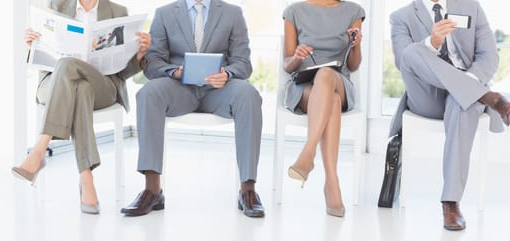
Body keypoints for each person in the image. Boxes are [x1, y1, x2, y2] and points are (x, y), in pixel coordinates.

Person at [120, 0, 265, 218]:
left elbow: (243, 63)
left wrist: (227, 74)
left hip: (219, 89)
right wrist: (174, 71)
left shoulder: (233, 13)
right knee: (148, 93)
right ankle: (152, 190)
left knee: (249, 95)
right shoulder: (164, 13)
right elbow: (153, 64)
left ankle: (248, 190)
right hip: (179, 88)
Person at [389, 0, 510, 230]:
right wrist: (432, 43)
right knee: (411, 51)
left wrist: (467, 84)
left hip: (464, 91)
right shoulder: (401, 16)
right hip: (426, 96)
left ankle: (450, 203)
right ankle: (490, 98)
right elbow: (403, 62)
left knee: (462, 102)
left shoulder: (471, 7)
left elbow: (489, 56)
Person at [12, 0, 151, 214]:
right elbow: (39, 58)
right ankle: (86, 176)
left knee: (70, 68)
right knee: (80, 87)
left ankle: (39, 149)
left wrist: (140, 54)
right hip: (53, 83)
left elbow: (123, 72)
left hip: (103, 86)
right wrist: (32, 46)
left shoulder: (117, 11)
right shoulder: (55, 6)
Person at [282, 0, 365, 217]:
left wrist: (356, 45)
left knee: (326, 74)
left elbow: (354, 65)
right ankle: (332, 182)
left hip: (338, 80)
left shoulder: (354, 11)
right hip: (304, 87)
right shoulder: (294, 11)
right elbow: (287, 63)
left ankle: (308, 154)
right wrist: (297, 57)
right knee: (333, 102)